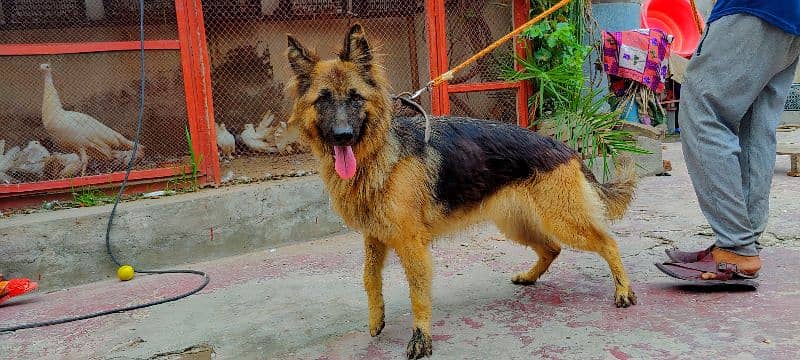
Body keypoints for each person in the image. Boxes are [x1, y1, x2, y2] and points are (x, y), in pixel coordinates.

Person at [656, 0, 800, 284]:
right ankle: (743, 246)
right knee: (755, 125)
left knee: (703, 110)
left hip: (752, 7)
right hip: (790, 14)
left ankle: (736, 245)